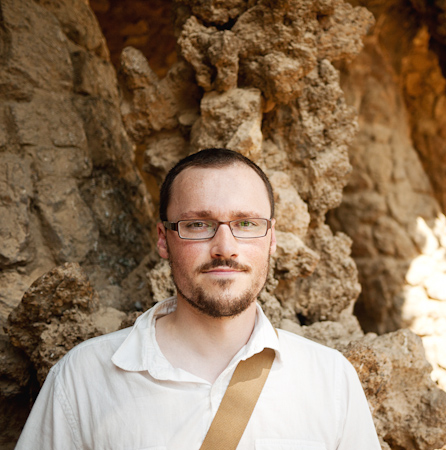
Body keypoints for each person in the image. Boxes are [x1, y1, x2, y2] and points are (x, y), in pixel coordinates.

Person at [15, 148, 381, 449]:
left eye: (247, 224)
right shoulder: (84, 378)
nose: (225, 248)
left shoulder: (329, 380)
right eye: (197, 225)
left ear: (271, 239)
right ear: (163, 239)